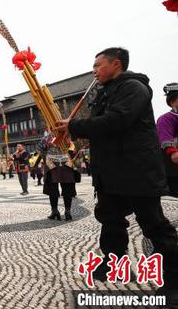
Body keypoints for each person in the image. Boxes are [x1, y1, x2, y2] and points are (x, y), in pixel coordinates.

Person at [56, 47, 178, 298]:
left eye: (98, 65)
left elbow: (116, 121)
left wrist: (75, 125)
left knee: (153, 224)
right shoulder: (105, 91)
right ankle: (113, 263)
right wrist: (71, 130)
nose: (94, 70)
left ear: (116, 64)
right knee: (110, 219)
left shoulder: (134, 88)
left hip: (136, 170)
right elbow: (101, 129)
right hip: (111, 170)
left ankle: (175, 278)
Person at [38, 135, 77, 221]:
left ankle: (55, 211)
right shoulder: (67, 136)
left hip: (52, 161)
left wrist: (47, 156)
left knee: (53, 188)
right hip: (66, 162)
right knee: (67, 188)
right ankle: (67, 212)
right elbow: (73, 151)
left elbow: (41, 150)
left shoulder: (46, 138)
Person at [157, 83, 178, 197]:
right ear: (173, 101)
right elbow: (166, 140)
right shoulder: (166, 119)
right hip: (172, 168)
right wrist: (173, 152)